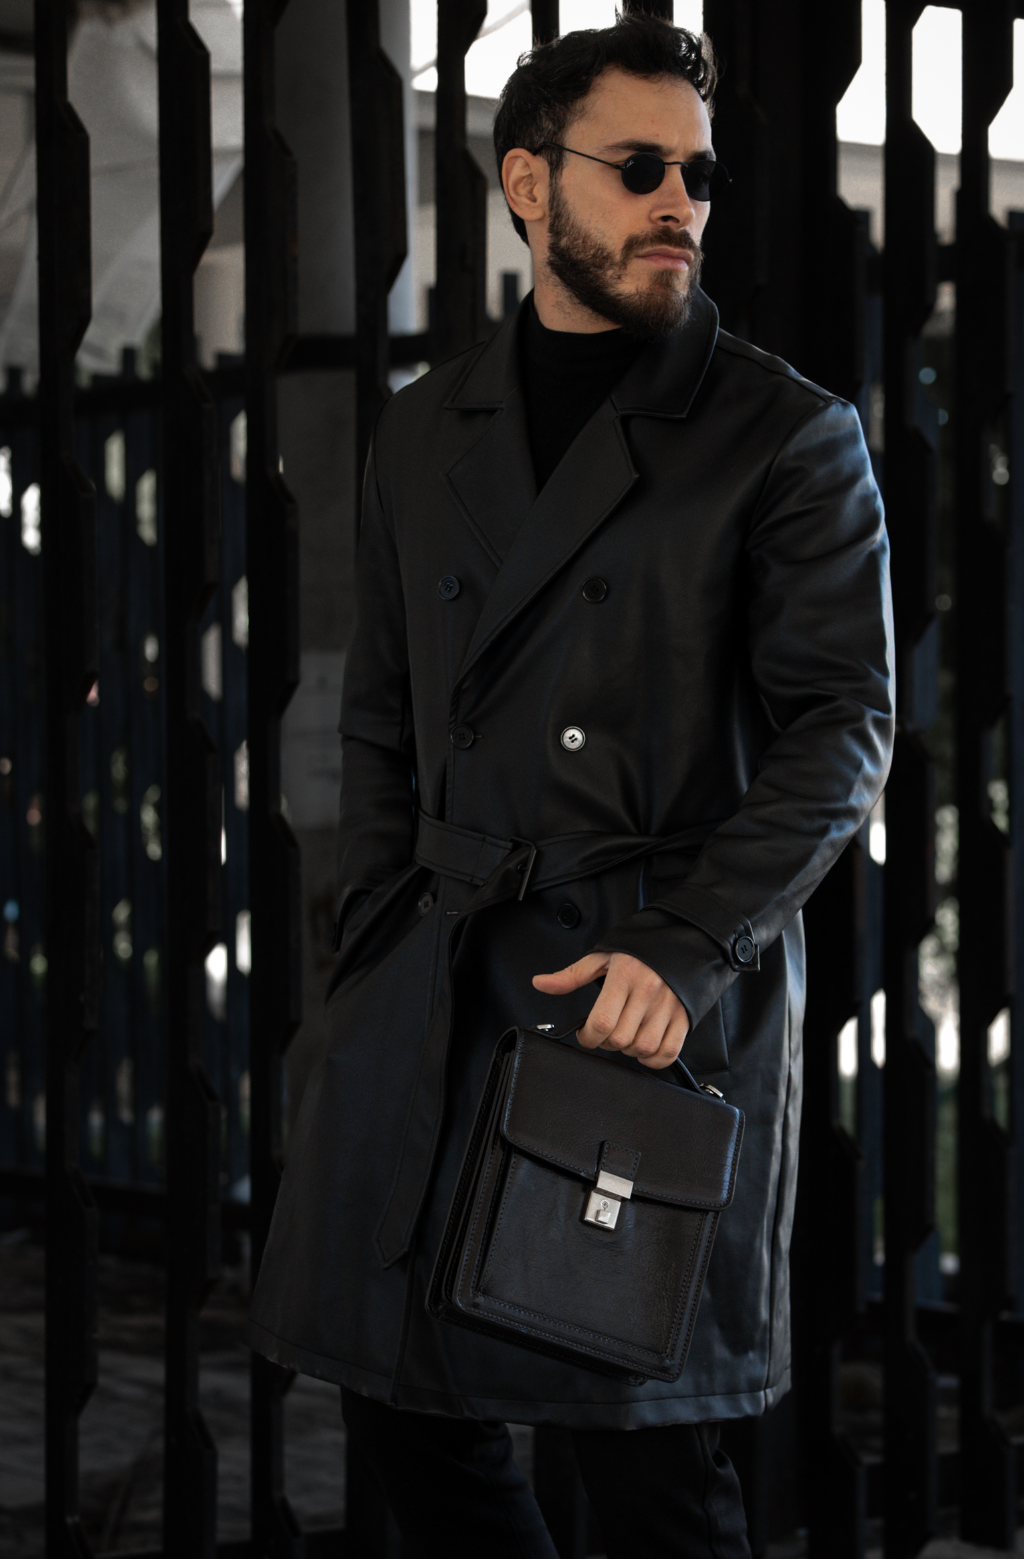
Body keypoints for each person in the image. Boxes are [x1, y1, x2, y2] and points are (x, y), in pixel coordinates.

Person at [247, 15, 894, 1557]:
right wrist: (376, 933)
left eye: (700, 175)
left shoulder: (781, 434)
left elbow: (845, 725)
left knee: (645, 1462)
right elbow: (384, 713)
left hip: (639, 993)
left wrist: (691, 945)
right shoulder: (425, 428)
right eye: (639, 166)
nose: (681, 202)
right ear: (529, 183)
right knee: (404, 1409)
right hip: (436, 978)